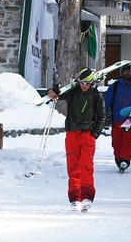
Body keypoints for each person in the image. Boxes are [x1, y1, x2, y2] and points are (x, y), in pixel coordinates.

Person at [47, 67, 105, 212]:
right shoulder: (72, 92)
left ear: (92, 82)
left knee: (86, 167)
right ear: (79, 81)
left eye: (88, 83)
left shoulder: (96, 95)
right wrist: (52, 91)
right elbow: (58, 93)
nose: (85, 85)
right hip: (72, 134)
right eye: (83, 82)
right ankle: (75, 198)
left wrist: (94, 134)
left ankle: (87, 197)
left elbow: (103, 116)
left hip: (87, 134)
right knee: (73, 167)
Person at [104, 64, 131, 173]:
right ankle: (119, 159)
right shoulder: (115, 86)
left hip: (130, 119)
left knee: (127, 141)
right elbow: (107, 101)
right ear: (122, 73)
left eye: (129, 71)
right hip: (116, 118)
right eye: (125, 71)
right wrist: (105, 114)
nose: (127, 73)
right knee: (116, 142)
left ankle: (125, 160)